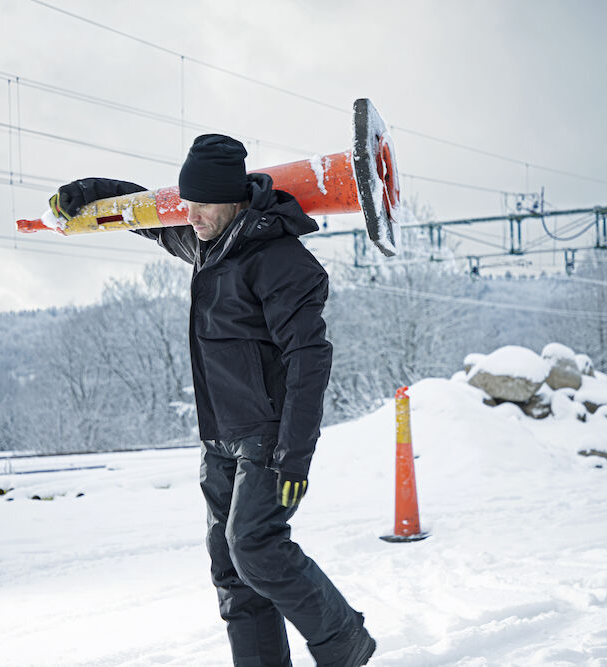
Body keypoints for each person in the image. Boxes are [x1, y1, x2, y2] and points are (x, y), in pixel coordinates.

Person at [50, 134, 376, 667]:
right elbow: (145, 215)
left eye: (202, 203)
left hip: (267, 438)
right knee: (230, 571)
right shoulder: (203, 240)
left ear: (235, 200)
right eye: (186, 200)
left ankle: (344, 643)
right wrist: (90, 192)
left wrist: (294, 455)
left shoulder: (280, 261)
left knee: (256, 548)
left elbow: (309, 362)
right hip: (219, 439)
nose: (190, 213)